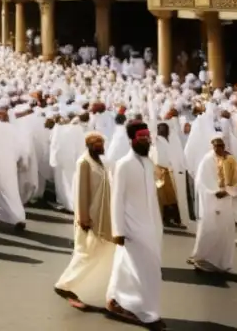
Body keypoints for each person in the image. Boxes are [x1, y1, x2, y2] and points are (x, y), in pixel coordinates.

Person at [106, 121, 164, 330]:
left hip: (151, 225)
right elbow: (117, 199)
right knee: (141, 269)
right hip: (131, 226)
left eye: (147, 138)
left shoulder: (148, 163)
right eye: (141, 138)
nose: (146, 141)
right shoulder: (123, 164)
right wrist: (118, 230)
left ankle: (116, 299)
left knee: (137, 266)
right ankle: (145, 312)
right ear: (132, 140)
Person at [55, 132, 114, 311]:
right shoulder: (84, 163)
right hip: (89, 218)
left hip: (102, 216)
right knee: (86, 253)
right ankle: (65, 285)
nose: (102, 146)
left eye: (103, 142)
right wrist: (83, 218)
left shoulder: (100, 162)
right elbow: (81, 192)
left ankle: (80, 287)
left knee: (96, 253)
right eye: (99, 143)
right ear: (91, 145)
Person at [189, 135, 237, 273]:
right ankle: (203, 259)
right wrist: (214, 192)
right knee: (209, 229)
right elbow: (201, 181)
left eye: (221, 146)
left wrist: (228, 191)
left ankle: (222, 263)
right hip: (211, 200)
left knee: (225, 232)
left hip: (226, 200)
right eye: (216, 145)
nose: (219, 148)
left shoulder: (230, 160)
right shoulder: (207, 160)